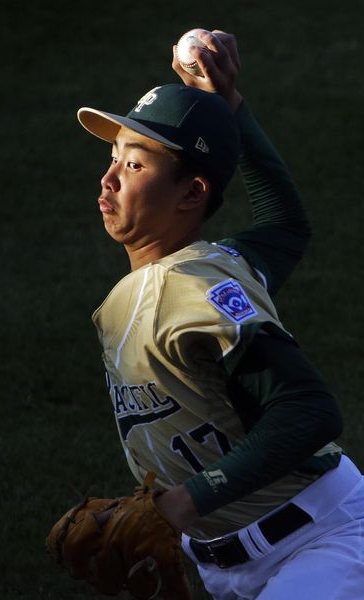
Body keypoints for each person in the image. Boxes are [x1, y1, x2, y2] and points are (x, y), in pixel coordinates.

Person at [76, 31, 364, 599]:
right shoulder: (212, 267)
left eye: (134, 165)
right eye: (113, 159)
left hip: (321, 542)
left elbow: (309, 410)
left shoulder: (194, 287)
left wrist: (186, 501)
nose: (108, 179)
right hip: (224, 567)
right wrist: (232, 109)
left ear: (192, 194)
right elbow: (286, 224)